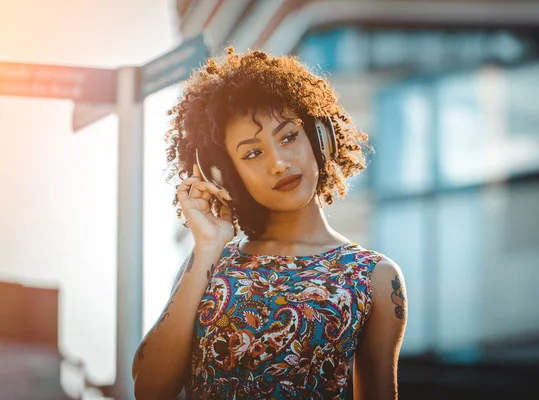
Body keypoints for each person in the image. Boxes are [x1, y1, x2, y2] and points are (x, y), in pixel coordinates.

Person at [131, 48, 407, 400]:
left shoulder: (375, 277)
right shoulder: (208, 266)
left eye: (289, 137)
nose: (279, 163)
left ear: (319, 137)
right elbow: (149, 390)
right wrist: (207, 248)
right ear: (225, 175)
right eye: (252, 153)